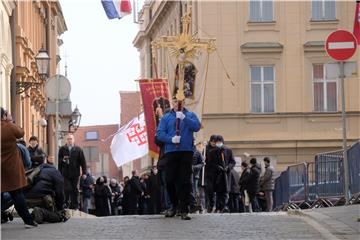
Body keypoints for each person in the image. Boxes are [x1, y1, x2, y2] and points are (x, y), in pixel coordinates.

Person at [156, 97, 201, 220]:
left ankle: (184, 209)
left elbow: (197, 126)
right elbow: (159, 133)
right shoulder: (166, 117)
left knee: (185, 181)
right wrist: (171, 139)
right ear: (172, 102)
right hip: (171, 151)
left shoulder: (190, 115)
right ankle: (174, 205)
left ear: (184, 102)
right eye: (175, 101)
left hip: (186, 151)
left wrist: (184, 118)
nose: (177, 103)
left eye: (180, 101)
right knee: (169, 180)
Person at [1, 107, 37, 228]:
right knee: (17, 195)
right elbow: (21, 133)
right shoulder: (9, 127)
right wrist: (10, 121)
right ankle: (28, 221)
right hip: (11, 168)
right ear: (4, 116)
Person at [24, 157, 69, 224]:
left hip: (26, 198)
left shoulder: (38, 169)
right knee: (59, 215)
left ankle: (35, 214)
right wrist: (60, 208)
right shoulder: (56, 173)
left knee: (47, 196)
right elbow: (60, 194)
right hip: (40, 199)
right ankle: (41, 212)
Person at [58, 134, 87, 209]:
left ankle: (75, 206)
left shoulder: (78, 149)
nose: (69, 140)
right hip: (65, 173)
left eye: (70, 139)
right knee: (66, 189)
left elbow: (83, 162)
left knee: (75, 190)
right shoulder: (62, 149)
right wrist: (63, 160)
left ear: (73, 140)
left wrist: (84, 173)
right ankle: (66, 203)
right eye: (68, 139)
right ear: (66, 140)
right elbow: (59, 161)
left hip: (75, 173)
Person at [208, 135, 235, 213]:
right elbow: (210, 163)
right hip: (217, 175)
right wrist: (217, 167)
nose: (218, 143)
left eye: (220, 142)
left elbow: (232, 162)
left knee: (225, 191)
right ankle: (218, 206)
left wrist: (228, 167)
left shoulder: (228, 150)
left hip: (226, 174)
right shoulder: (212, 152)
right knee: (218, 192)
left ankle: (224, 206)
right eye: (217, 142)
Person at [204, 135, 218, 213]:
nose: (213, 143)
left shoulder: (219, 149)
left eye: (215, 141)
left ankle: (217, 206)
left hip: (217, 172)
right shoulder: (206, 149)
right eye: (212, 141)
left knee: (217, 190)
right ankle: (211, 205)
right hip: (209, 172)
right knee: (210, 190)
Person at [190, 143, 204, 213]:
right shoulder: (186, 152)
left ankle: (198, 206)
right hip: (187, 174)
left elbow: (202, 163)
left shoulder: (197, 152)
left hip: (195, 175)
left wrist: (194, 167)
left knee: (195, 191)